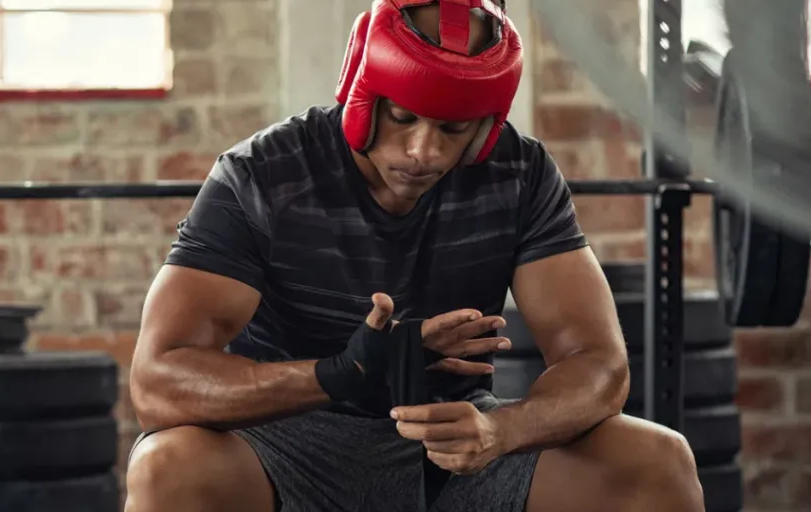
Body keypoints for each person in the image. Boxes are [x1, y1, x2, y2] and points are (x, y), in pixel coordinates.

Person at [124, 1, 705, 511]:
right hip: (286, 444)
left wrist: (500, 430)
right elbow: (159, 380)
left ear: (484, 125)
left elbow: (599, 362)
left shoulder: (519, 174)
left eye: (452, 129)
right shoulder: (263, 173)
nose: (423, 151)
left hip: (457, 439)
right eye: (402, 117)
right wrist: (340, 373)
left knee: (657, 462)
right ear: (363, 96)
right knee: (168, 469)